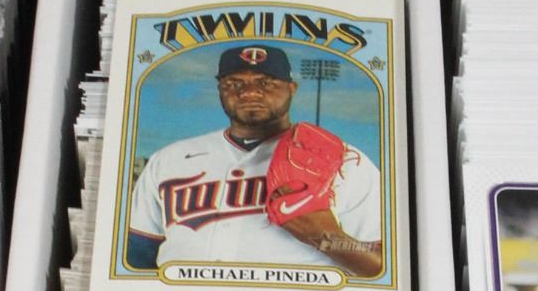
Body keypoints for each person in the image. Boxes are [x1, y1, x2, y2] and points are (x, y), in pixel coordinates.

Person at [124, 44, 383, 276]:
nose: (249, 93)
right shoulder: (168, 159)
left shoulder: (346, 163)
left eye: (266, 82)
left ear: (292, 89)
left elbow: (381, 265)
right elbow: (138, 256)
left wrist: (324, 237)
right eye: (234, 83)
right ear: (220, 90)